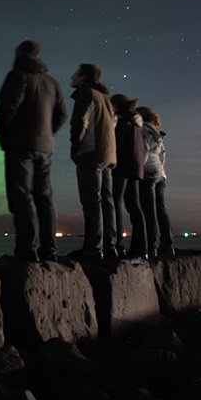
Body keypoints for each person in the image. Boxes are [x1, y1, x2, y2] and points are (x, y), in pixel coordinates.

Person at [0, 40, 68, 262]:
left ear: (19, 53)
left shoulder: (19, 75)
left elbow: (10, 106)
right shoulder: (52, 82)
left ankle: (28, 250)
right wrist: (49, 133)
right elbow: (62, 114)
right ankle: (50, 250)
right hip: (45, 146)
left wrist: (4, 133)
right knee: (45, 197)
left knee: (22, 195)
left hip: (21, 145)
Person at [70, 63, 117, 260]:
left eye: (76, 73)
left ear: (83, 77)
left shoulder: (86, 94)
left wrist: (76, 146)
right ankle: (110, 247)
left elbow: (81, 121)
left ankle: (94, 249)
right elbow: (114, 123)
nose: (72, 76)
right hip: (108, 154)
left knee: (91, 202)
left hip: (91, 153)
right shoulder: (106, 99)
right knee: (106, 201)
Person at [111, 94, 148, 261]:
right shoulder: (137, 122)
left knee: (116, 202)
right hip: (136, 167)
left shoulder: (122, 121)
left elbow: (116, 143)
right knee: (135, 206)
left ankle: (117, 243)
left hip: (122, 165)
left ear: (117, 105)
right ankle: (143, 247)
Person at [137, 106, 174, 261]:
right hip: (160, 174)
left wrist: (141, 170)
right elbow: (162, 156)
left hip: (148, 174)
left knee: (149, 212)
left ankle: (151, 247)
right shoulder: (158, 133)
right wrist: (161, 170)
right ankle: (168, 244)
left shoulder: (142, 130)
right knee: (161, 210)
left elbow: (143, 152)